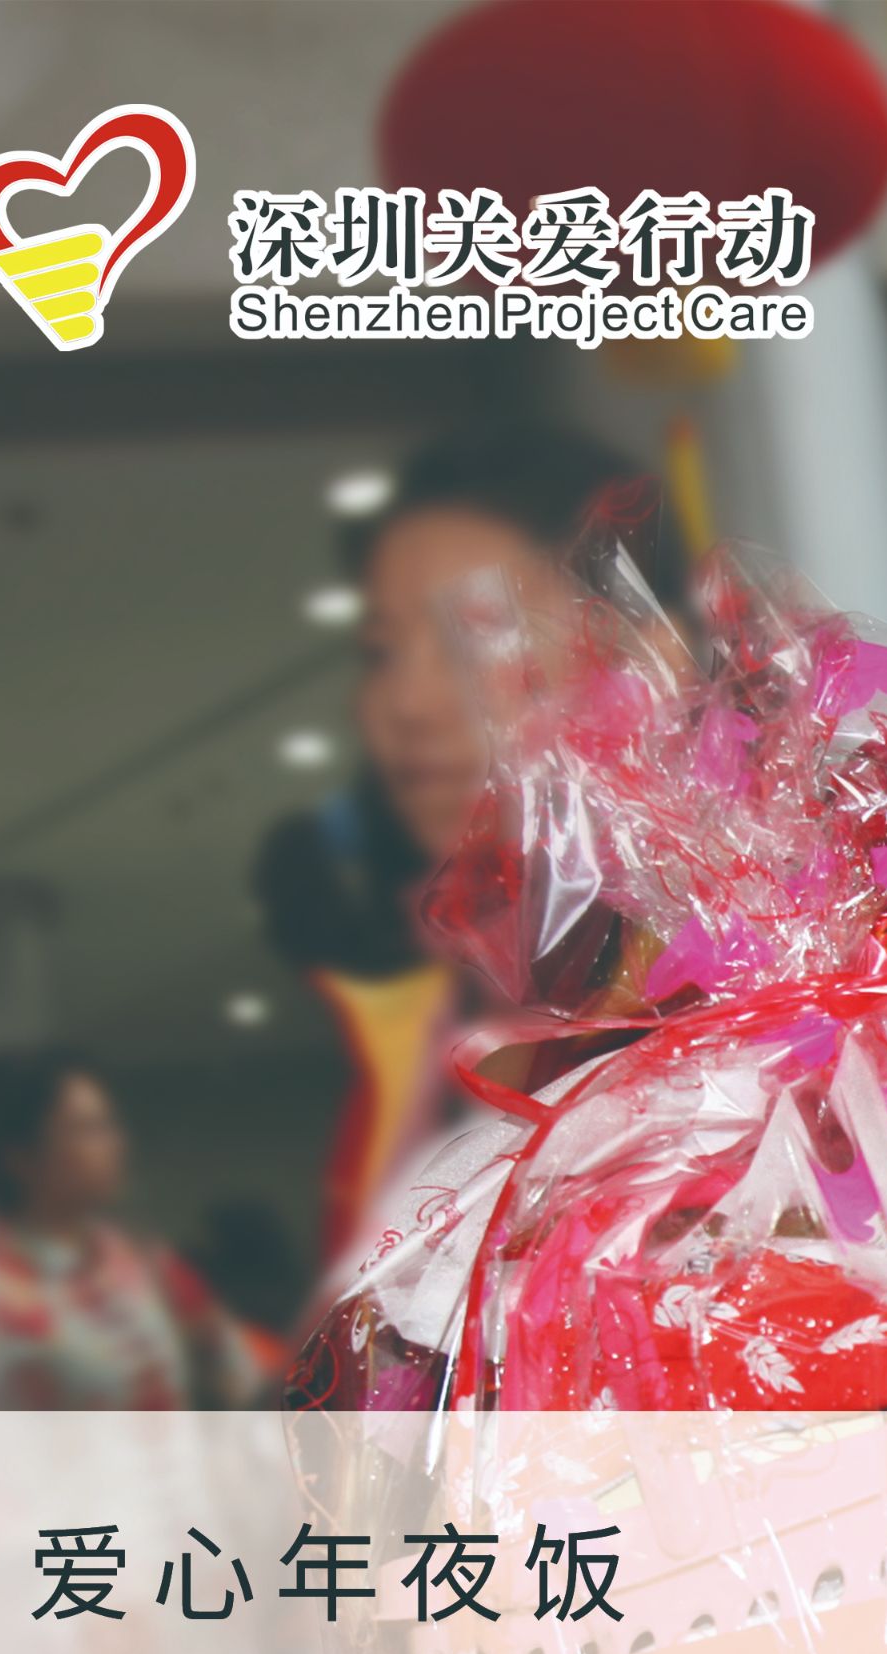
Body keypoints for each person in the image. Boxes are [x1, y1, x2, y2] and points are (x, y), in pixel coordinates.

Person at [253, 423, 689, 1276]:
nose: (407, 703)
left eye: (473, 638)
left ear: (649, 660)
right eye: (381, 651)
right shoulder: (419, 1034)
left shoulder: (809, 985)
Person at [0, 1046, 274, 1409]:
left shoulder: (147, 1263)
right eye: (87, 1129)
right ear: (20, 1157)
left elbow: (238, 1369)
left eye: (109, 1125)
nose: (116, 1143)